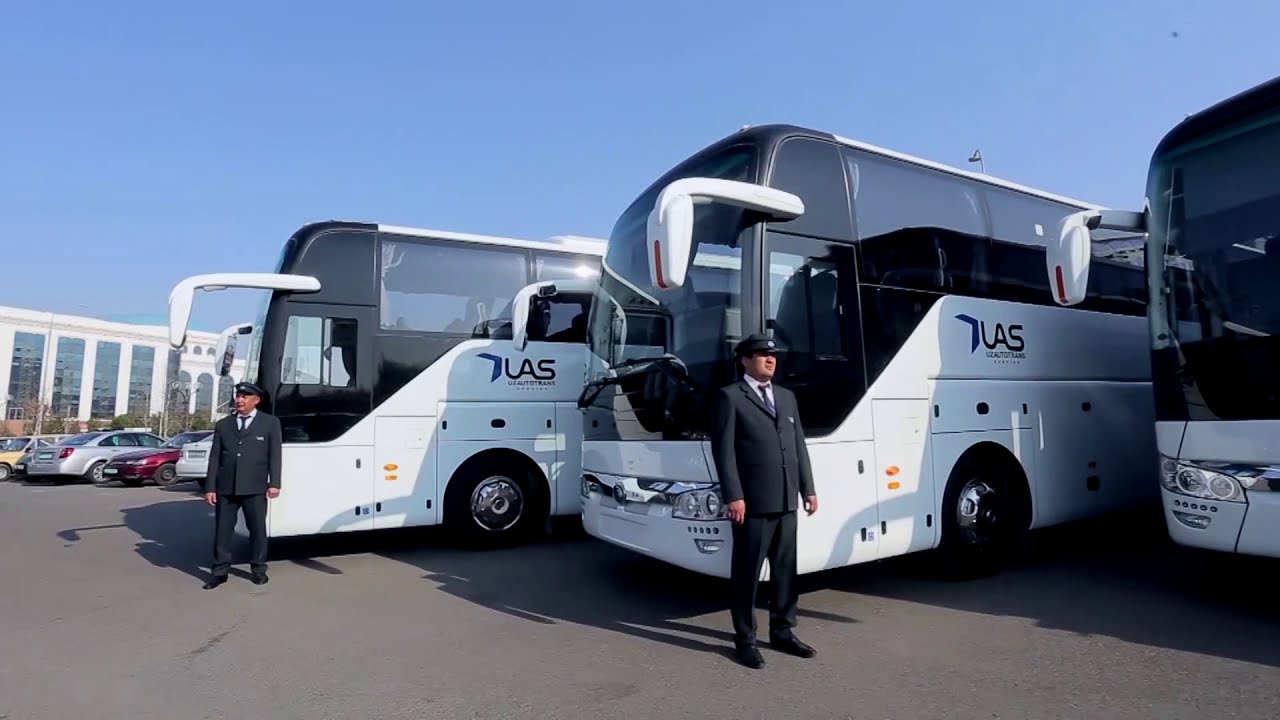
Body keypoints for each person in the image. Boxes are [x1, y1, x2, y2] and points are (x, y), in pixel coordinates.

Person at [708, 333, 818, 669]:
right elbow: (723, 452)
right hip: (752, 504)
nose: (770, 359)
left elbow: (798, 446)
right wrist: (734, 495)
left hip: (786, 500)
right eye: (761, 354)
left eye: (772, 355)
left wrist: (808, 489)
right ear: (744, 360)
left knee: (785, 571)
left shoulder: (786, 397)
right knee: (747, 574)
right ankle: (745, 639)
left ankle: (783, 630)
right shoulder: (730, 397)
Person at [202, 382, 283, 589]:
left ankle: (258, 569)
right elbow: (215, 458)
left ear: (256, 400)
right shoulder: (224, 424)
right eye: (238, 396)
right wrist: (210, 487)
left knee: (257, 530)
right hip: (226, 487)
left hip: (255, 487)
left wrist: (274, 483)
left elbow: (275, 455)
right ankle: (220, 571)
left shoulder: (270, 423)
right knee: (223, 532)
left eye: (245, 397)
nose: (239, 400)